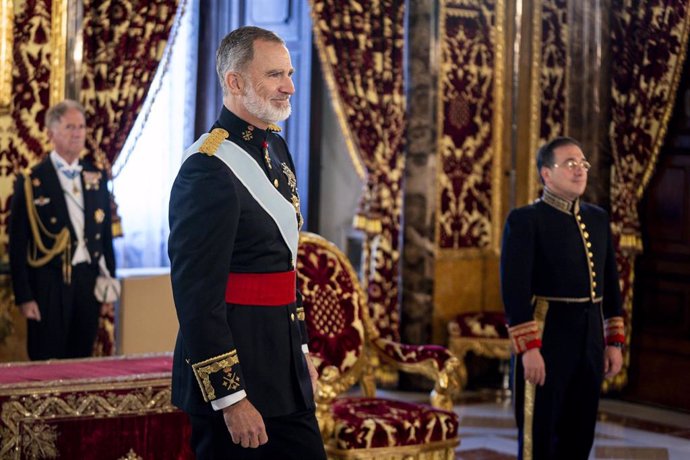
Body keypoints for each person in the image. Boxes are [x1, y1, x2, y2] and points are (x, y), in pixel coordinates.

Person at [168, 26, 326, 459]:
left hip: (283, 367)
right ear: (234, 82)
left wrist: (302, 351)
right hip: (238, 378)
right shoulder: (206, 169)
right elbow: (197, 297)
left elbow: (285, 270)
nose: (290, 86)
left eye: (289, 73)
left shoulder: (275, 147)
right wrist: (231, 398)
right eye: (275, 74)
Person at [500, 136, 626, 459]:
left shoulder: (597, 219)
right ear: (546, 174)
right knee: (537, 437)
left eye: (583, 163)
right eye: (570, 164)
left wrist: (613, 342)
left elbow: (611, 286)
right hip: (546, 336)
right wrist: (528, 349)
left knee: (579, 436)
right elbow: (514, 291)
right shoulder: (525, 221)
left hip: (589, 342)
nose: (579, 169)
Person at [8, 99, 116, 360]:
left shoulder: (96, 176)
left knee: (81, 360)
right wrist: (25, 297)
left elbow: (105, 237)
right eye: (70, 127)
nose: (78, 133)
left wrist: (109, 282)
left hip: (86, 281)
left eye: (81, 127)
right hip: (48, 284)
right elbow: (18, 243)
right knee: (47, 359)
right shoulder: (32, 180)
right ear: (51, 132)